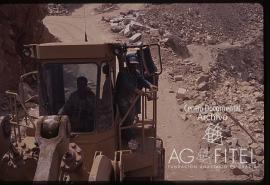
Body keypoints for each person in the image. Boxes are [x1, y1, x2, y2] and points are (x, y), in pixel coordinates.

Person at [115, 53, 157, 144]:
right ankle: (129, 138)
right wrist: (137, 90)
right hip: (122, 99)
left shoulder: (135, 72)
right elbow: (126, 85)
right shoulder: (123, 73)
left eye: (135, 64)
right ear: (128, 63)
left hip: (130, 99)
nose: (134, 66)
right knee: (127, 118)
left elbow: (141, 79)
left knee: (131, 117)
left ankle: (128, 134)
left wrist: (150, 85)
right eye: (132, 64)